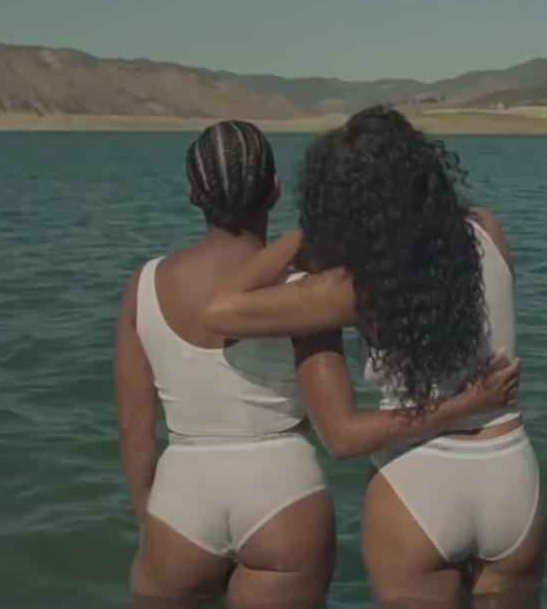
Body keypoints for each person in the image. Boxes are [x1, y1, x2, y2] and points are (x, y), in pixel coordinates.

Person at [113, 119, 519, 608]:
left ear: (191, 194)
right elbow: (339, 422)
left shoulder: (145, 283)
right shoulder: (304, 286)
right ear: (275, 189)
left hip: (180, 497)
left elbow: (134, 431)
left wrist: (151, 520)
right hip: (281, 497)